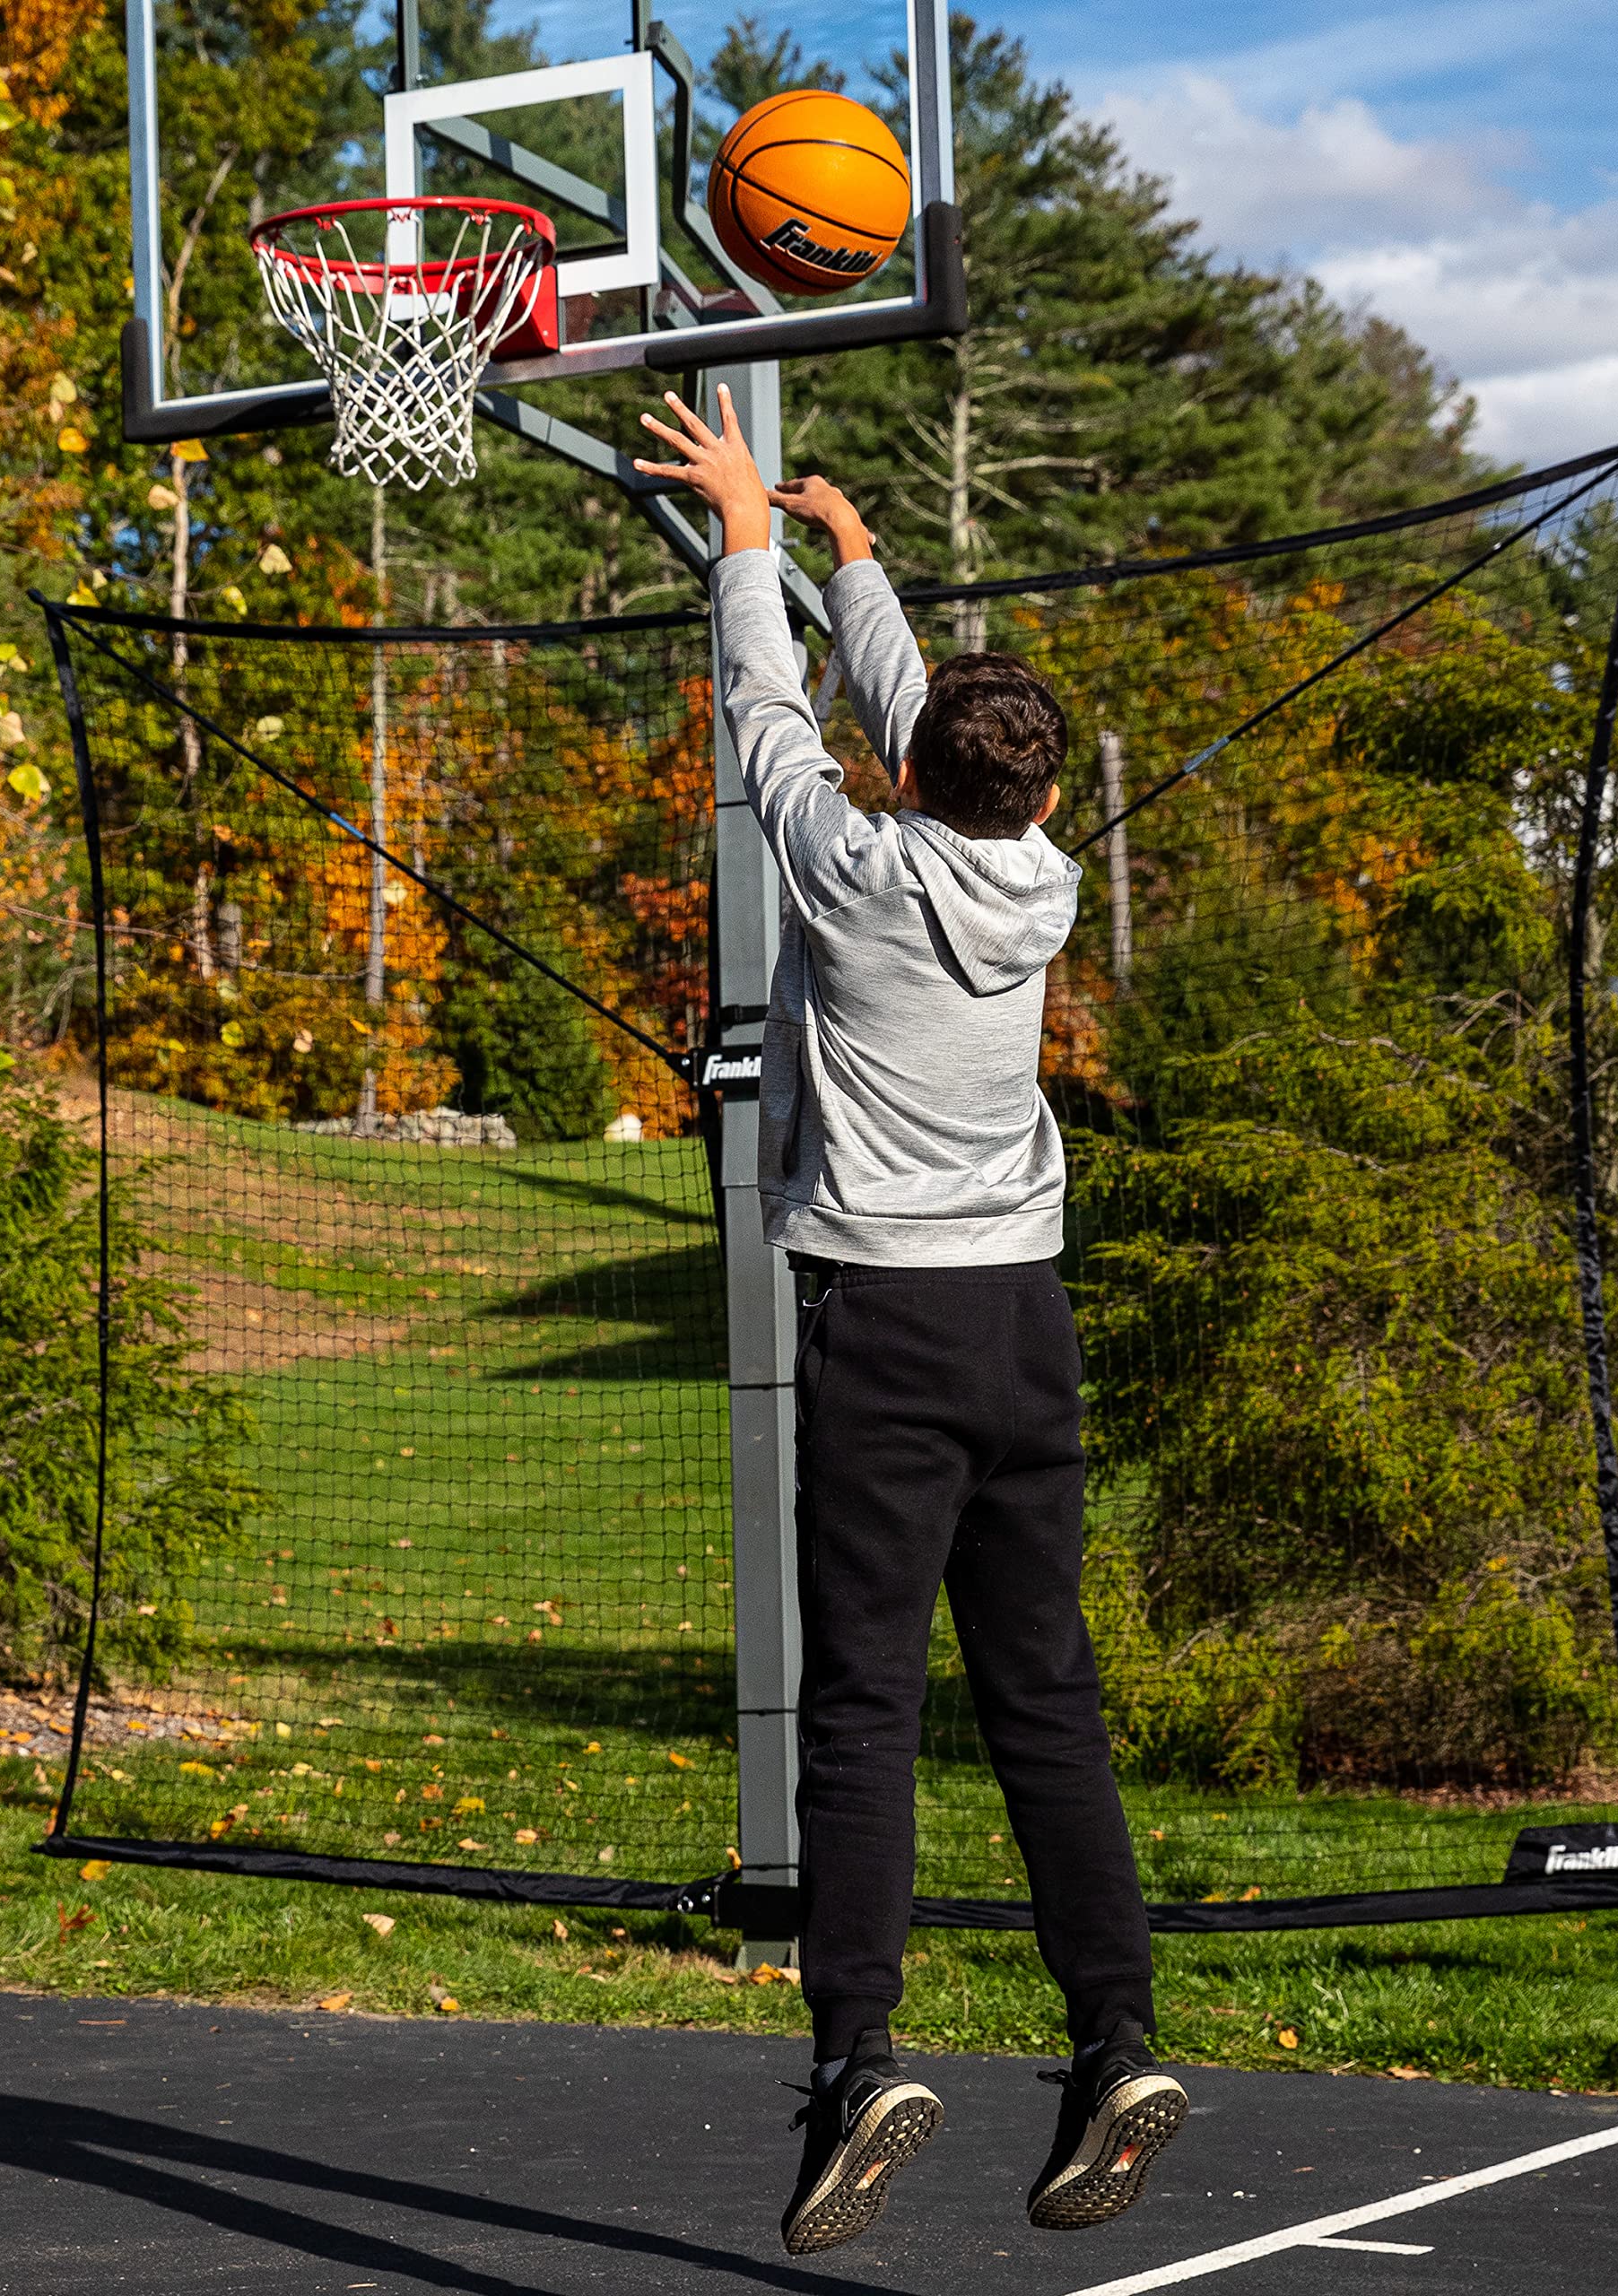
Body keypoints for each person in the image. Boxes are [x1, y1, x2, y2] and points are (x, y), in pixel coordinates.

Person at [635, 386, 1186, 2257]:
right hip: (1024, 1330)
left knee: (859, 1711)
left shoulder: (851, 870)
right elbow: (912, 721)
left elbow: (772, 716)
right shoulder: (1043, 880)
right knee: (1047, 1702)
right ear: (1038, 793)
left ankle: (857, 2055)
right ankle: (1111, 2037)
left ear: (926, 775)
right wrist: (852, 557)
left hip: (878, 1326)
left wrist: (747, 543)